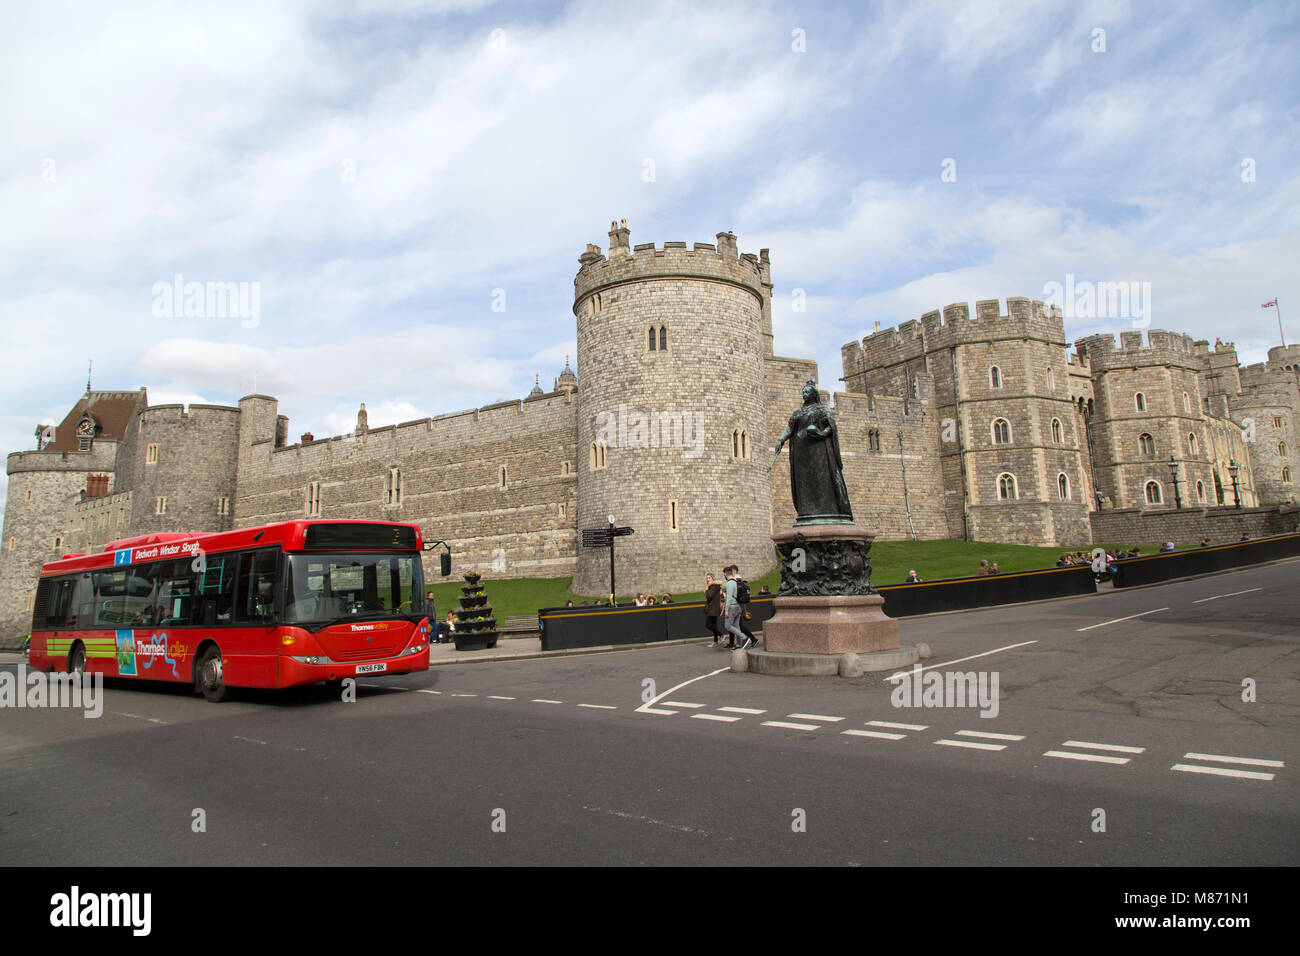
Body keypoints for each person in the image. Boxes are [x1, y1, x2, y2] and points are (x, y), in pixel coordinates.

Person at [729, 564, 758, 648]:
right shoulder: (738, 581)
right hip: (738, 605)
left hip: (738, 606)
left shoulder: (736, 581)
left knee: (738, 625)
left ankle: (752, 639)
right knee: (734, 624)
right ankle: (732, 643)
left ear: (734, 571)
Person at [721, 567, 749, 649]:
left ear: (725, 574)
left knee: (728, 626)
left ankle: (744, 638)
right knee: (736, 626)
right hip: (738, 606)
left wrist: (726, 610)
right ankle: (739, 645)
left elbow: (729, 598)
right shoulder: (736, 581)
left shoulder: (729, 583)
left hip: (732, 607)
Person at [704, 573, 723, 646]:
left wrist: (706, 591)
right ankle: (715, 641)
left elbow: (709, 596)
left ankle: (721, 635)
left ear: (713, 579)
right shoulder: (714, 586)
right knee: (714, 625)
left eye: (709, 578)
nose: (707, 579)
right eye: (707, 578)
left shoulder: (713, 586)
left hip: (713, 609)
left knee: (708, 625)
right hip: (713, 608)